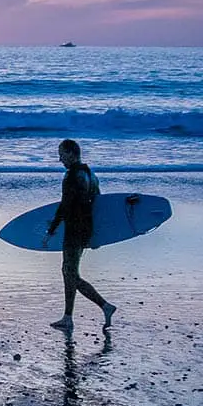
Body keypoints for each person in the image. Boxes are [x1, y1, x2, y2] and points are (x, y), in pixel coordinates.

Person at [43, 139, 116, 332]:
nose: (60, 159)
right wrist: (96, 236)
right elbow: (99, 206)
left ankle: (104, 306)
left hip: (74, 230)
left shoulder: (72, 176)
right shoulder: (91, 175)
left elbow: (65, 206)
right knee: (69, 273)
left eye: (62, 154)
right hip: (86, 229)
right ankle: (68, 317)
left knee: (70, 273)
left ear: (72, 153)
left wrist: (52, 229)